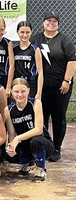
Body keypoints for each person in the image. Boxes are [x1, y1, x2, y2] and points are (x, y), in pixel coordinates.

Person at [30, 11, 76, 162]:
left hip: (59, 87)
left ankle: (56, 148)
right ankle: (44, 145)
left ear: (58, 23)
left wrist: (66, 80)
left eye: (54, 21)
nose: (51, 23)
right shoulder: (36, 38)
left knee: (58, 117)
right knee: (40, 117)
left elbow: (72, 60)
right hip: (40, 87)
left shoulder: (64, 39)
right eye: (48, 20)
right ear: (43, 22)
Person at [5, 78, 54, 182]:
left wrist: (17, 138)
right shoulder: (8, 109)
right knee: (9, 155)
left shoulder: (35, 103)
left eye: (23, 91)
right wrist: (11, 147)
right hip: (25, 143)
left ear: (28, 91)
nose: (20, 95)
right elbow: (12, 133)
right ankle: (28, 163)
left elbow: (38, 130)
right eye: (16, 92)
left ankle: (41, 169)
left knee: (35, 141)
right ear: (12, 92)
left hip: (43, 143)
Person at [13, 21, 43, 99]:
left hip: (30, 82)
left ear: (31, 32)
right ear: (17, 32)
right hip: (17, 81)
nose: (25, 35)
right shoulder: (14, 49)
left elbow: (40, 72)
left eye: (27, 32)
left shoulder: (35, 49)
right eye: (22, 32)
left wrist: (39, 92)